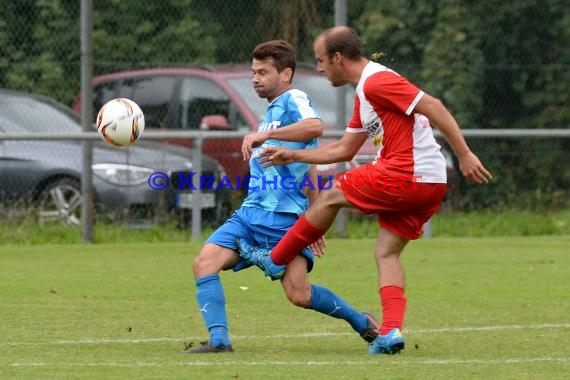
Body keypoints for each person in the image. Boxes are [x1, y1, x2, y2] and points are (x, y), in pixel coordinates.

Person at [237, 27, 493, 355]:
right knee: (386, 252)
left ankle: (275, 259)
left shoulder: (377, 81)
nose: (318, 69)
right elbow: (343, 150)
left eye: (320, 61)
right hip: (428, 183)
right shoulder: (364, 93)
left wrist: (464, 154)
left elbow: (435, 106)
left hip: (406, 173)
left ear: (338, 59)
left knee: (331, 195)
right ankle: (389, 332)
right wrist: (295, 154)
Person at [183, 39, 380, 354]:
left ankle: (362, 322)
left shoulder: (294, 98)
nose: (255, 78)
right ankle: (219, 341)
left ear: (286, 73)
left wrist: (267, 135)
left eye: (263, 72)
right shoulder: (272, 113)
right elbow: (308, 165)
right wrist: (317, 211)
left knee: (299, 294)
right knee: (204, 263)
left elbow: (315, 128)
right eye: (253, 71)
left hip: (283, 221)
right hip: (250, 214)